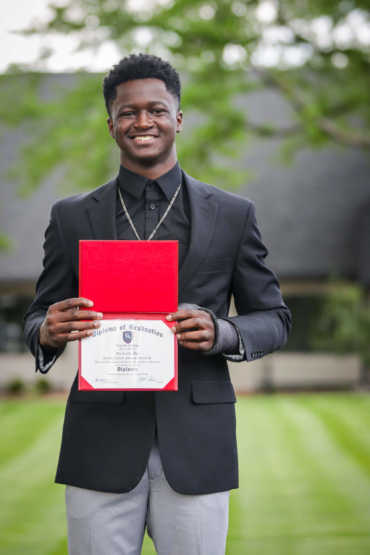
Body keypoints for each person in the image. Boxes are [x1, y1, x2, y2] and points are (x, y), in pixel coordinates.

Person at [23, 54, 291, 555]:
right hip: (99, 440)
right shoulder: (70, 217)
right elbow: (38, 316)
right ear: (110, 124)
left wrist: (223, 332)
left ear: (178, 119)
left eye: (156, 110)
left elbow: (275, 319)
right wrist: (46, 330)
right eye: (128, 112)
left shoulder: (234, 215)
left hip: (197, 443)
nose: (142, 121)